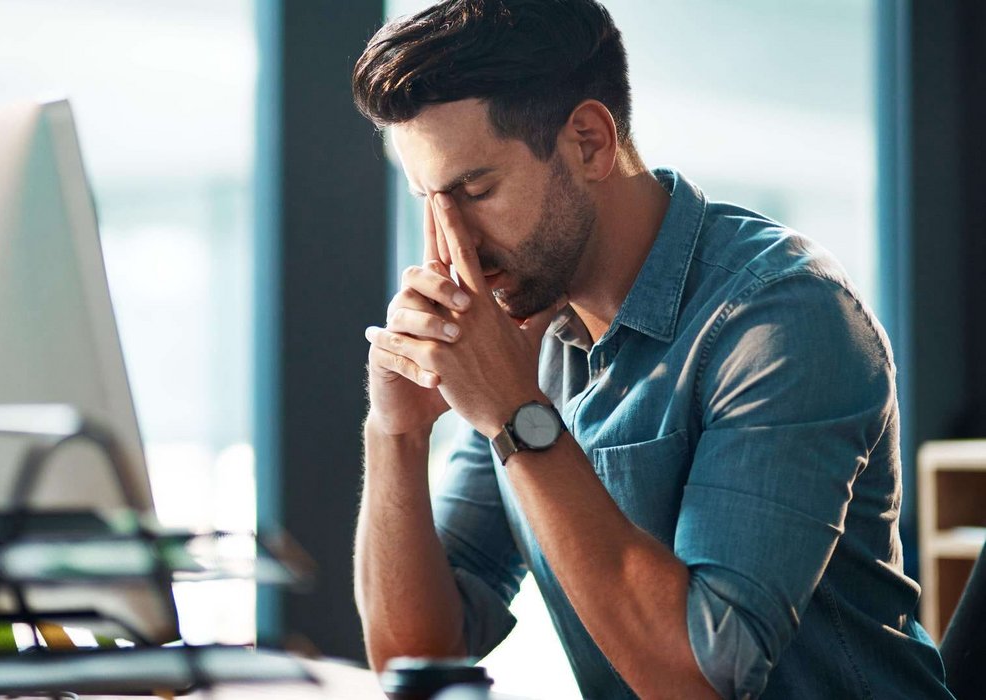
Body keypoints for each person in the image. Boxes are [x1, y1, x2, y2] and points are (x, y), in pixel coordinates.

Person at [350, 1, 953, 698]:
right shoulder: (529, 335)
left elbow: (703, 678)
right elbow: (417, 658)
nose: (454, 241)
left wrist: (518, 416)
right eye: (430, 202)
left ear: (587, 141)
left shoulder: (785, 319)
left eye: (474, 191)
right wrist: (395, 430)